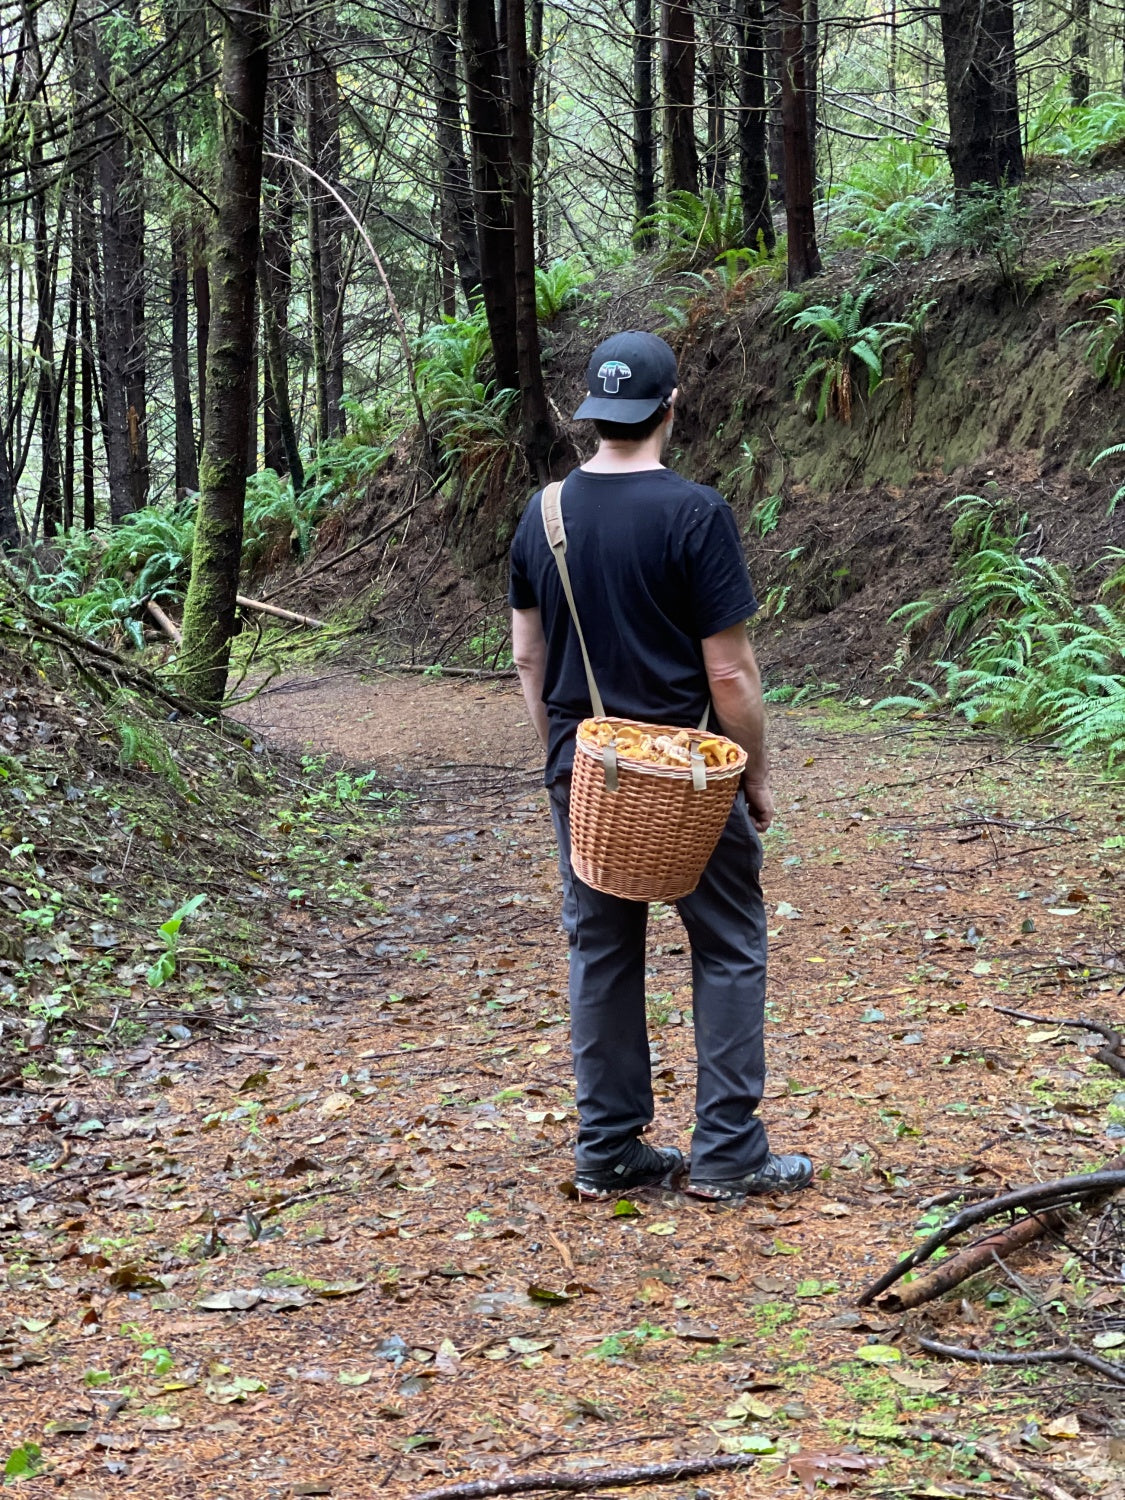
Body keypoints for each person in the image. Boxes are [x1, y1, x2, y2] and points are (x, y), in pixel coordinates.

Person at [509, 330, 812, 1204]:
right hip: (687, 773)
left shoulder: (545, 515)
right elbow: (729, 673)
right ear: (670, 407)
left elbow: (528, 660)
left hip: (590, 771)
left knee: (601, 948)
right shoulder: (695, 512)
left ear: (593, 414)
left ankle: (606, 1149)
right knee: (725, 944)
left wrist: (563, 760)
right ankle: (725, 1152)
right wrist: (752, 772)